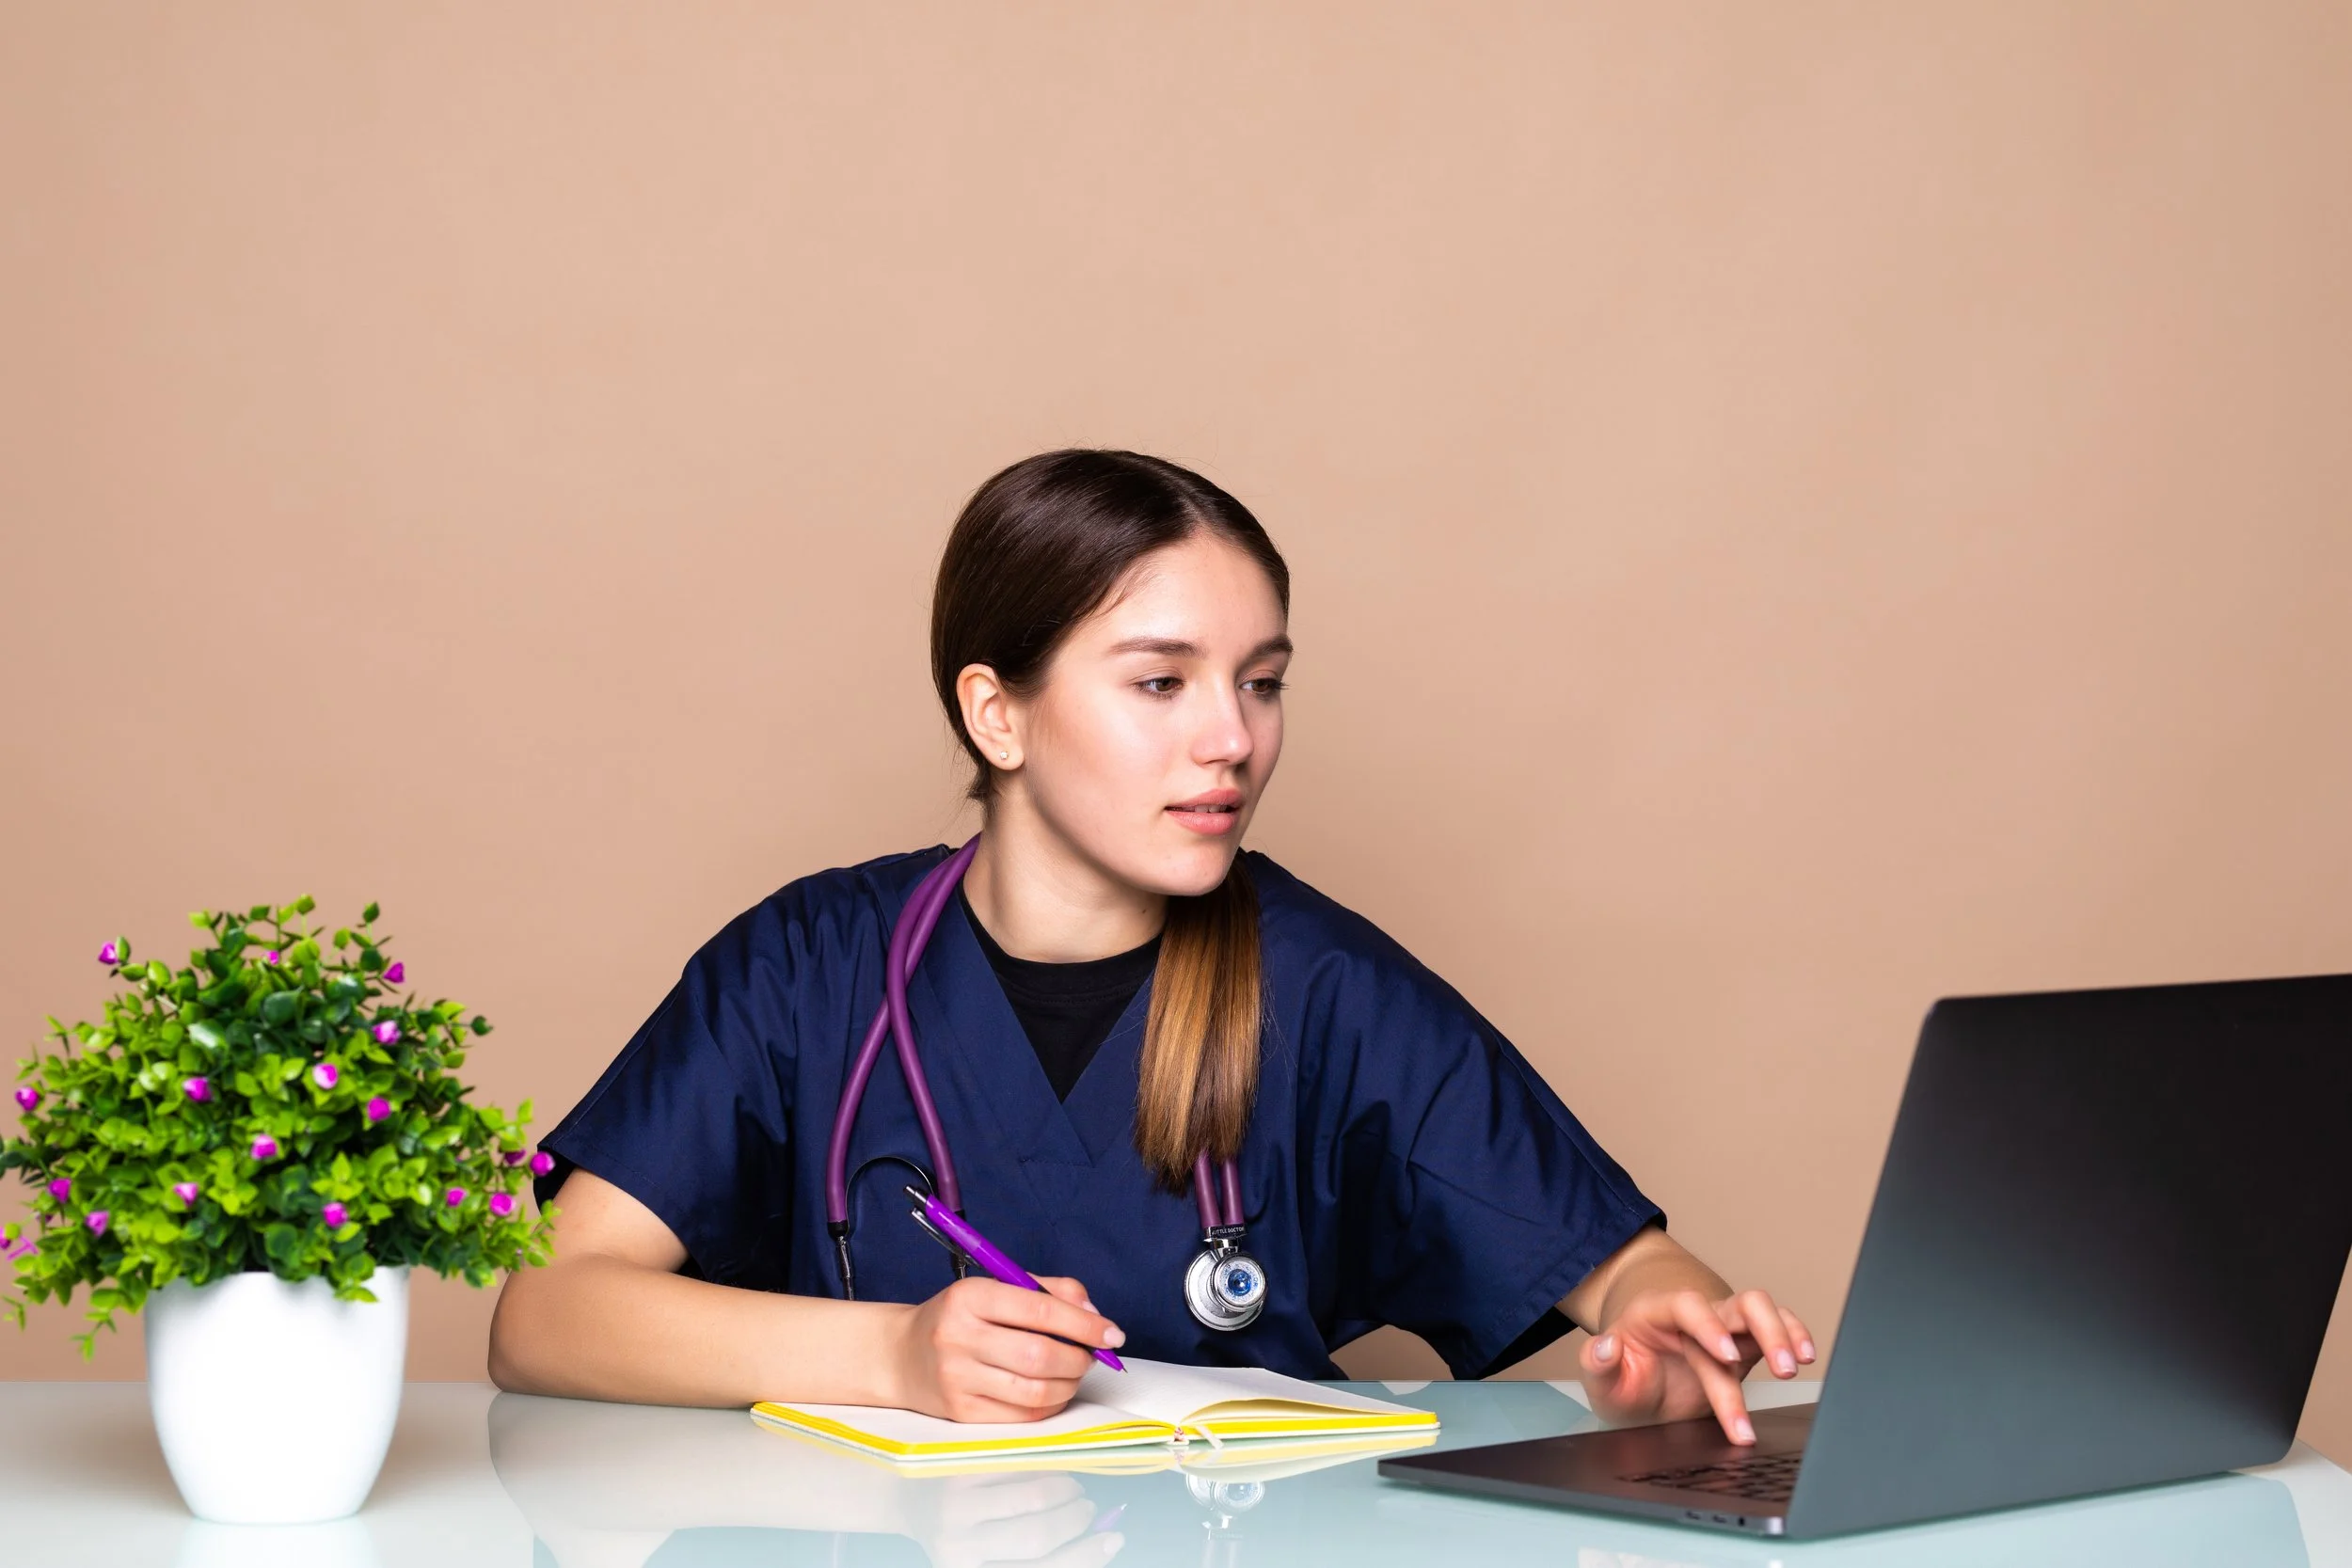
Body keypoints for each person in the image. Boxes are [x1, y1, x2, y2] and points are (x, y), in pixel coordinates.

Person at [487, 450, 1813, 1443]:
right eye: (1161, 681)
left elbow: (1621, 1263)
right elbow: (543, 1311)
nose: (1232, 736)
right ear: (997, 714)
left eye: (1263, 679)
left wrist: (1668, 1325)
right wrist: (894, 1354)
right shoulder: (803, 968)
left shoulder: (1322, 984)